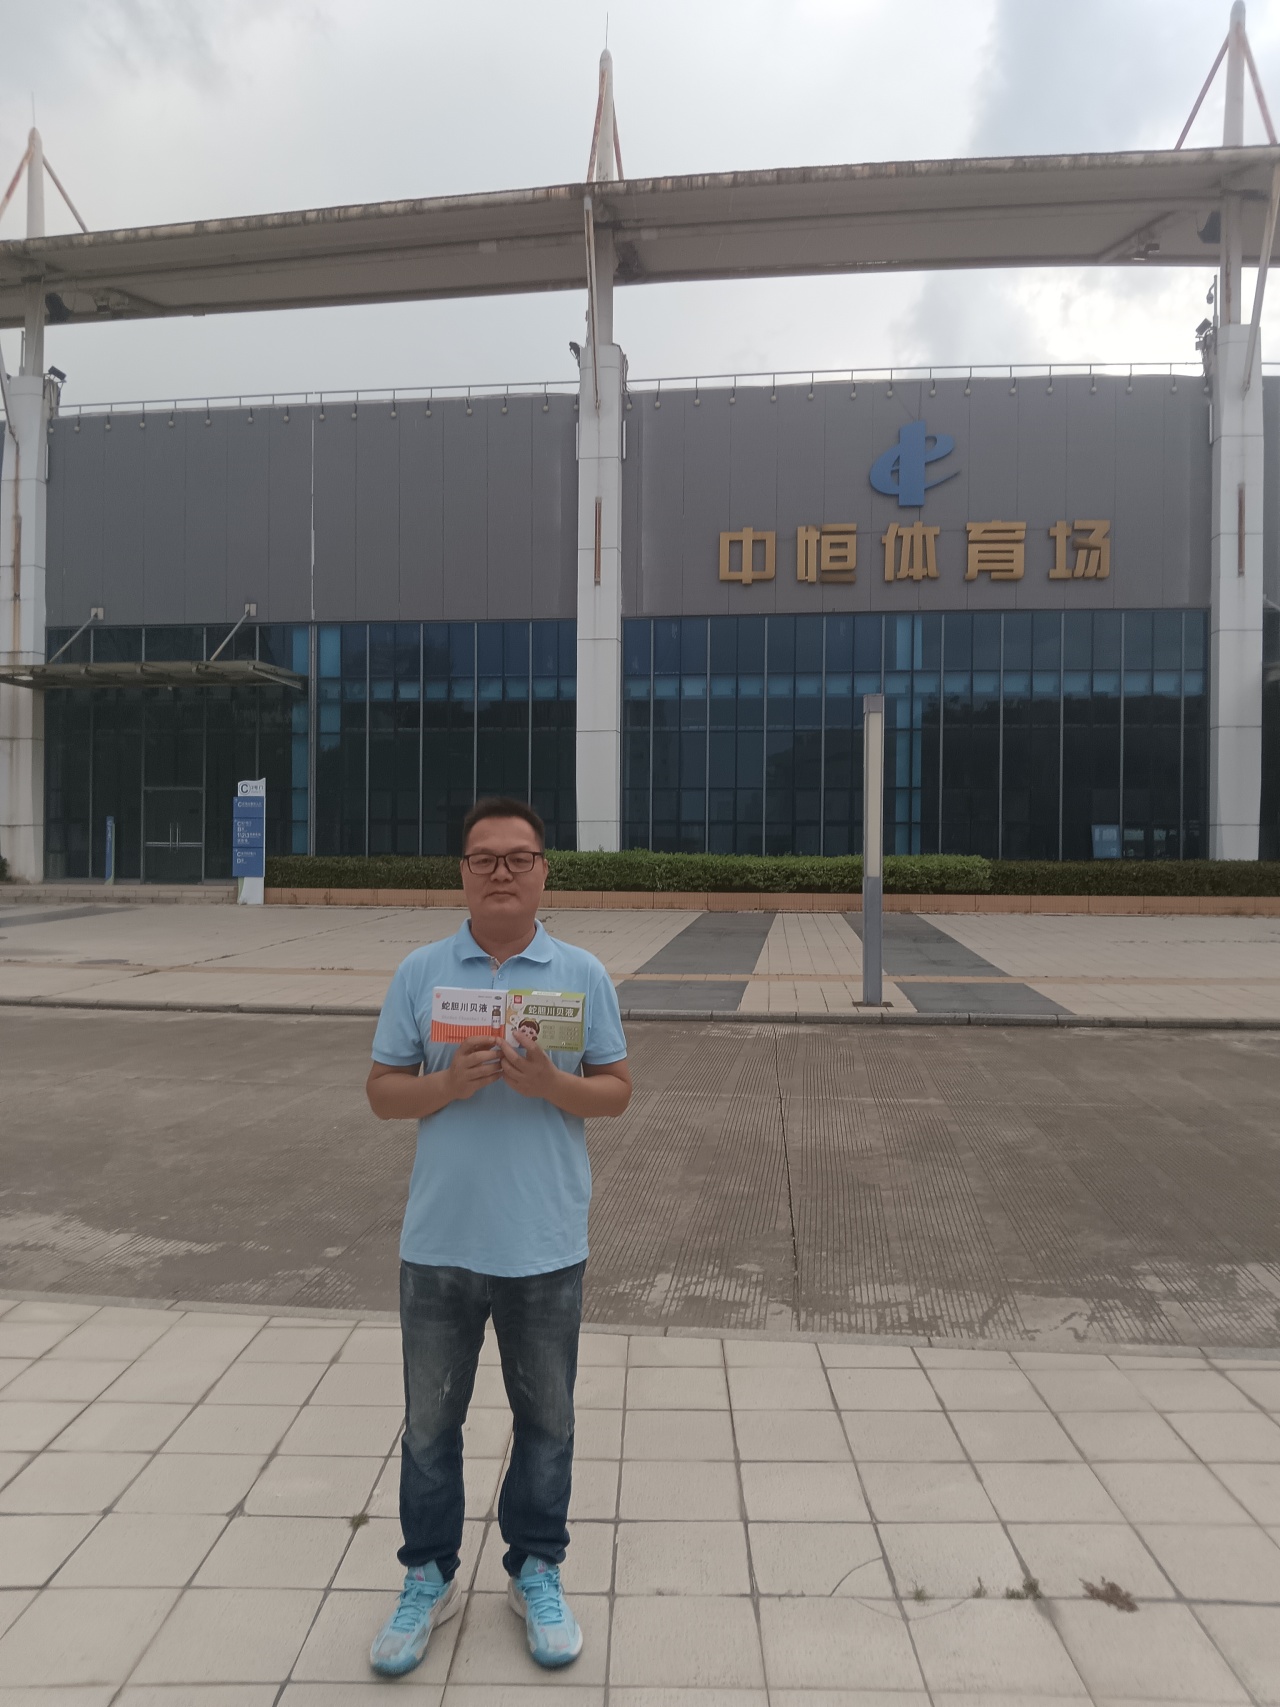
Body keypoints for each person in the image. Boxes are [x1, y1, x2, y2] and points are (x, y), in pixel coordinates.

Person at [365, 797, 631, 1677]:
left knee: (547, 1421)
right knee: (429, 1424)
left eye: (520, 857)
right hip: (439, 1241)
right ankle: (428, 1575)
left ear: (545, 870)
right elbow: (382, 1090)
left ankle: (535, 1568)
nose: (503, 872)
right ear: (464, 873)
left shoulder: (582, 973)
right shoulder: (421, 972)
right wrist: (447, 1086)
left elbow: (616, 1089)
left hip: (544, 1241)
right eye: (485, 858)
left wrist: (553, 1083)